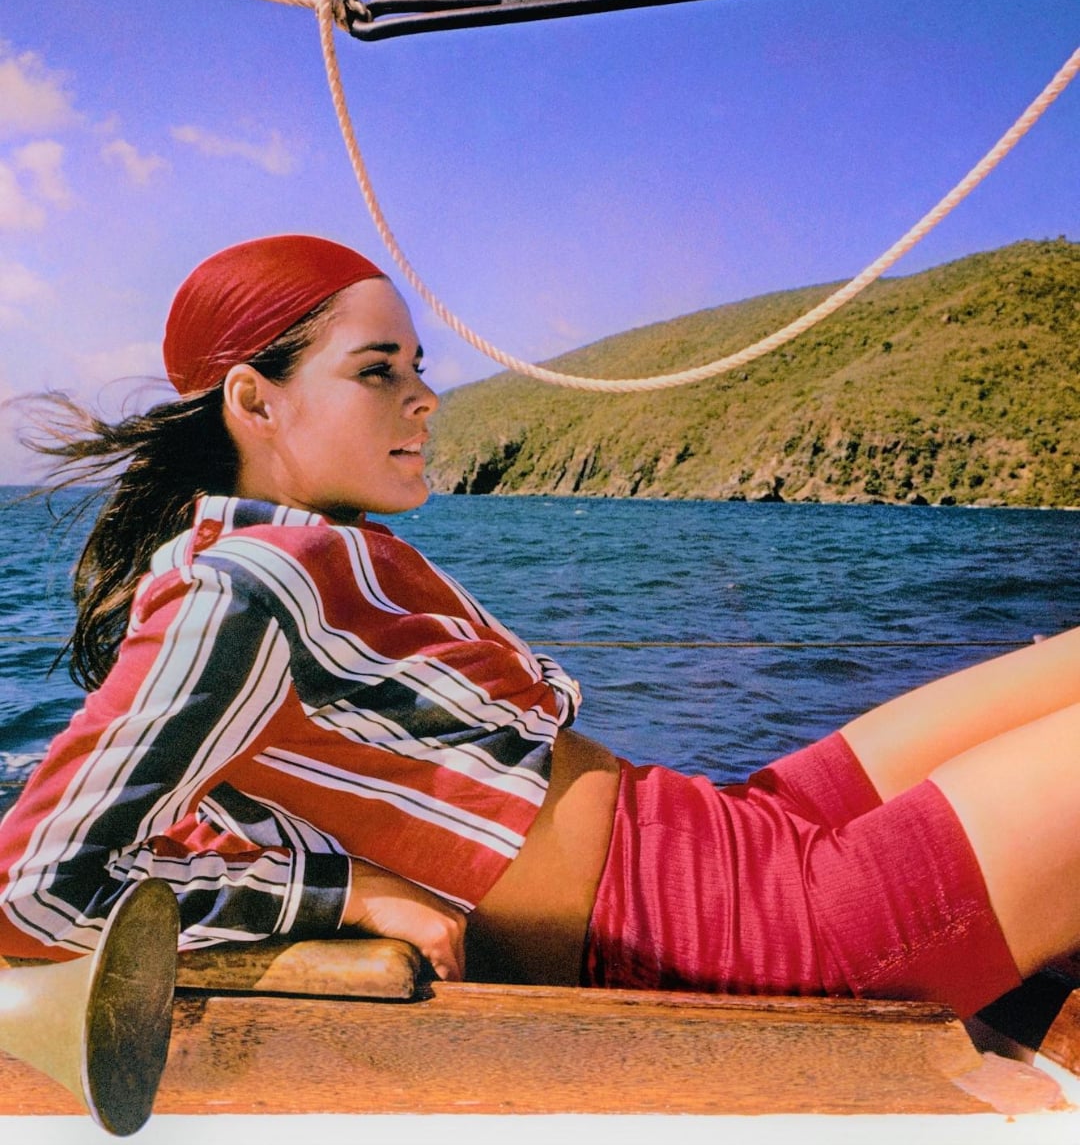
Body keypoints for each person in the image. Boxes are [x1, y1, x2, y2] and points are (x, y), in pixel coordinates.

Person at [1, 233, 1078, 1021]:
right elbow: (34, 888)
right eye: (379, 370)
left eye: (419, 367)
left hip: (736, 828)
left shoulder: (315, 561)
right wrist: (333, 891)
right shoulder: (237, 590)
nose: (424, 397)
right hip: (773, 926)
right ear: (255, 400)